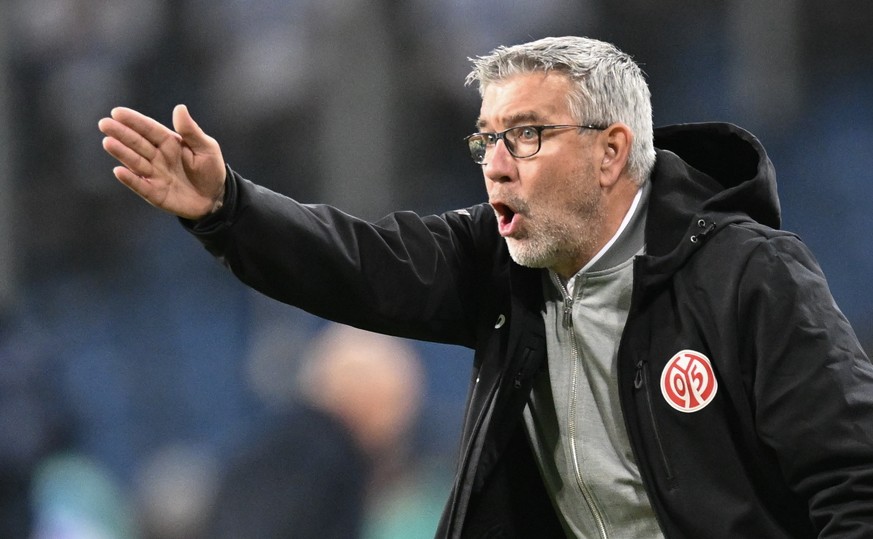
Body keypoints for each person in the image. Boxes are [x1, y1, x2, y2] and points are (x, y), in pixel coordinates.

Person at [98, 36, 873, 538]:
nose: (495, 163)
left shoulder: (750, 275)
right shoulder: (501, 265)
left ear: (610, 153)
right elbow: (358, 263)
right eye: (485, 140)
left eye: (527, 135)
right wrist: (227, 207)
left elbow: (854, 479)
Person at [201, 323, 424, 539]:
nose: (399, 425)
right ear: (370, 398)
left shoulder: (279, 442)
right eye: (396, 403)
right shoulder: (326, 461)